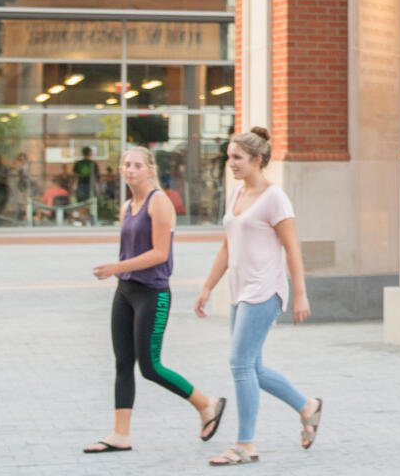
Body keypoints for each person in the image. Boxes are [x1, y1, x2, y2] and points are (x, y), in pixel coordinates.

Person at [83, 147, 227, 455]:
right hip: (125, 293)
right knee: (123, 363)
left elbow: (160, 254)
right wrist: (119, 275)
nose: (130, 170)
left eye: (137, 165)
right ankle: (120, 434)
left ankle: (206, 404)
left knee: (150, 366)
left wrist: (115, 268)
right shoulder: (127, 207)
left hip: (153, 293)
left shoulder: (158, 202)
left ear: (150, 170)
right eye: (126, 165)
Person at [193, 127, 323, 466]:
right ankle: (307, 407)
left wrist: (300, 294)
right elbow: (226, 245)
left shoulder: (275, 197)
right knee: (253, 366)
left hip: (265, 290)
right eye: (228, 157)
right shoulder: (236, 196)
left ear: (257, 159)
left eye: (237, 158)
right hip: (240, 290)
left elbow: (292, 248)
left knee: (239, 364)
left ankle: (245, 445)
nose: (230, 163)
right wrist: (208, 286)